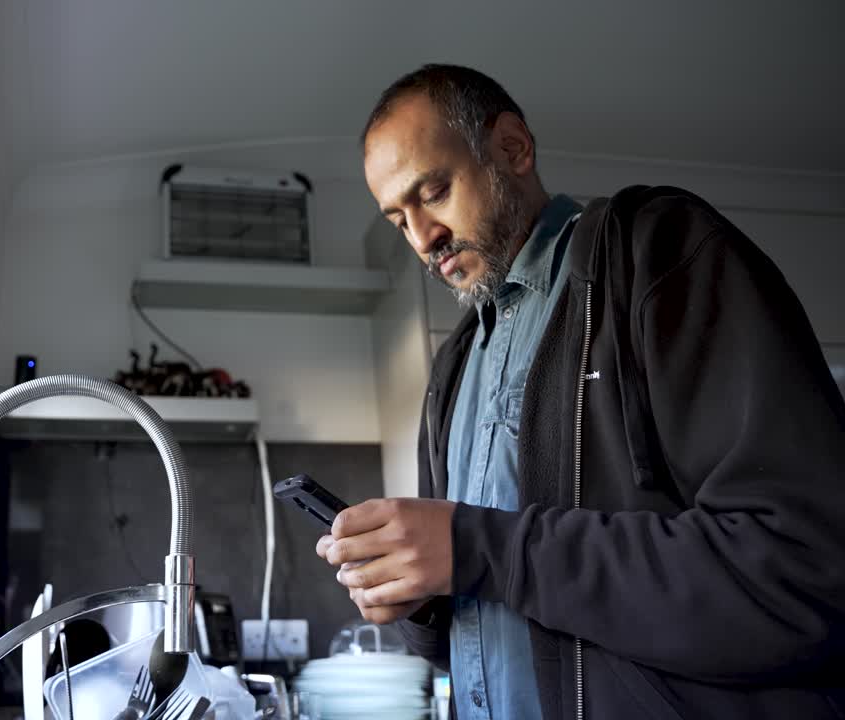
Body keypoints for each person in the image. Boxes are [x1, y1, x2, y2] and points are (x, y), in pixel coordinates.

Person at [316, 64, 845, 719]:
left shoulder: (658, 254)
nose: (424, 238)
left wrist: (477, 548)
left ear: (513, 148)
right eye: (400, 219)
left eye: (435, 191)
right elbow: (483, 643)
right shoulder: (454, 364)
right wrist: (420, 598)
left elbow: (803, 575)